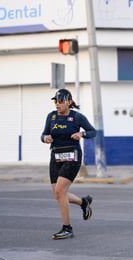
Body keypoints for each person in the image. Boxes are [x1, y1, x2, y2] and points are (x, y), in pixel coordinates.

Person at [41, 88, 97, 239]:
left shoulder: (77, 117)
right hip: (55, 156)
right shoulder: (51, 117)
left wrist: (82, 134)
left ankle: (67, 228)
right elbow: (43, 134)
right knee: (58, 194)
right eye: (55, 101)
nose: (57, 104)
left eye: (60, 101)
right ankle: (83, 202)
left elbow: (93, 131)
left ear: (69, 102)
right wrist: (45, 138)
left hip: (72, 157)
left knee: (60, 191)